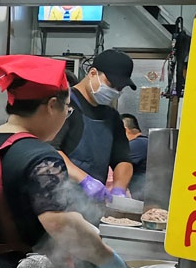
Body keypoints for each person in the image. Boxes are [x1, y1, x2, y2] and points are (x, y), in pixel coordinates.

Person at [0, 55, 131, 268]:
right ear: (52, 105)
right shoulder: (42, 156)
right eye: (67, 109)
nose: (66, 116)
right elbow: (61, 224)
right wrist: (106, 257)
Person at [52, 50, 136, 203]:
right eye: (112, 85)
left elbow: (123, 159)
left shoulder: (112, 116)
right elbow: (51, 151)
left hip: (93, 206)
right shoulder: (62, 105)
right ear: (92, 73)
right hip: (58, 202)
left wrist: (119, 189)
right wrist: (85, 180)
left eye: (120, 88)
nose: (115, 92)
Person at [120, 114, 148, 200]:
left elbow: (114, 163)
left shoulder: (137, 144)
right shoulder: (144, 141)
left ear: (124, 130)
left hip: (142, 197)